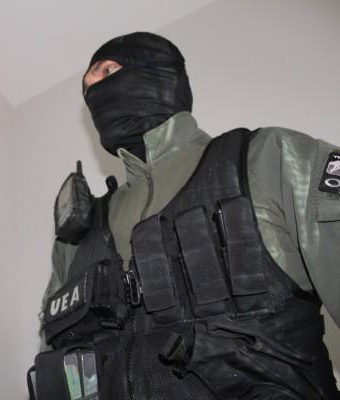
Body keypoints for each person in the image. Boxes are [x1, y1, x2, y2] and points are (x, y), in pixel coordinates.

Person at [27, 32, 340, 400]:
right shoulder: (76, 238)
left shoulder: (270, 158)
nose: (93, 90)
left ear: (161, 73)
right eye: (86, 88)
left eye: (107, 71)